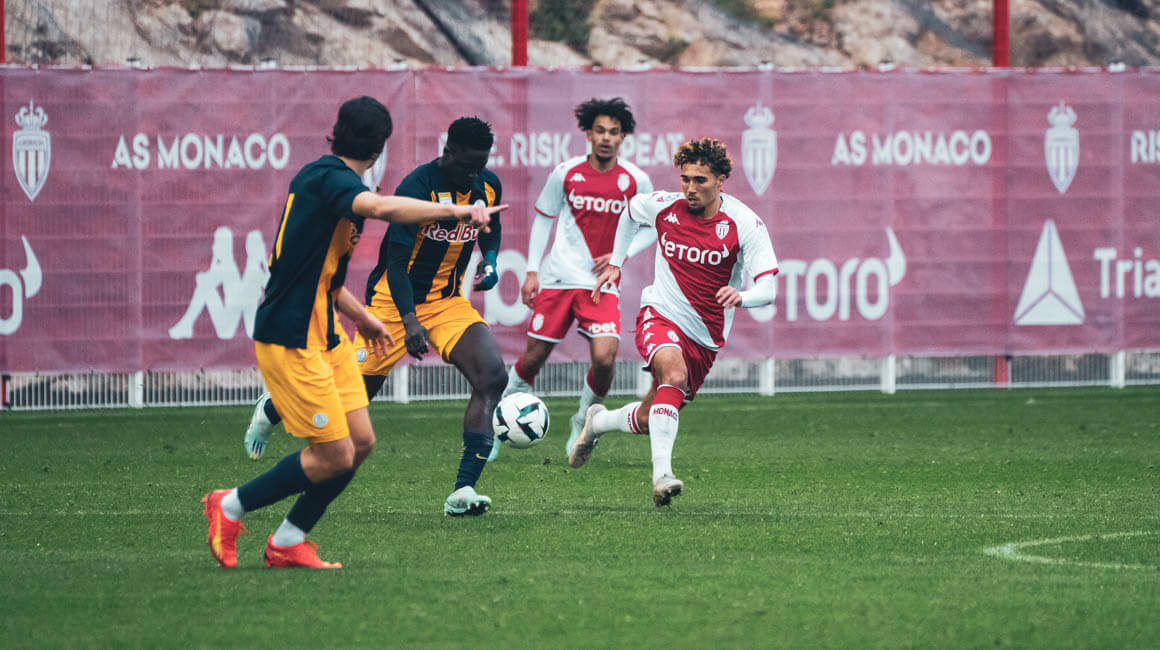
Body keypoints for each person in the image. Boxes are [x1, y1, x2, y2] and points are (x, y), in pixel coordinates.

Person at [202, 97, 503, 570]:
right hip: (291, 335)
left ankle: (288, 541)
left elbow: (316, 272)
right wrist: (454, 213)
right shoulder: (333, 182)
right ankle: (230, 504)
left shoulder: (335, 184)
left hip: (330, 331)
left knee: (359, 443)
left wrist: (359, 315)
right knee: (334, 455)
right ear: (380, 147)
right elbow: (380, 208)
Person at [567, 137, 779, 506]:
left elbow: (769, 288)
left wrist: (742, 297)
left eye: (701, 180)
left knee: (650, 417)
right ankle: (662, 477)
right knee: (675, 376)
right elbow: (630, 212)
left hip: (705, 337)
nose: (690, 188)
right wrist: (616, 261)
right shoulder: (665, 206)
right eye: (685, 179)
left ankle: (597, 422)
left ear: (721, 180)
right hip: (660, 314)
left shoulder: (745, 223)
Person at [501, 98, 655, 458]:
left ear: (623, 138)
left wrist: (619, 256)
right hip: (558, 279)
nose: (606, 138)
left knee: (605, 358)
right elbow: (544, 218)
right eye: (600, 130)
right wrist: (532, 271)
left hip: (601, 285)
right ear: (588, 133)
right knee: (534, 357)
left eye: (614, 132)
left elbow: (652, 227)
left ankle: (583, 420)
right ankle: (499, 419)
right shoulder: (565, 172)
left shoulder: (636, 180)